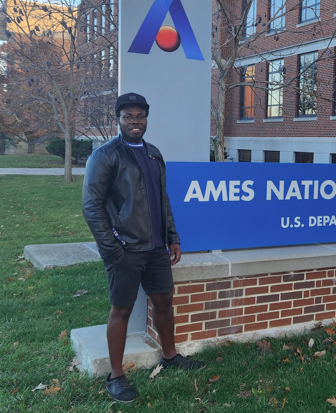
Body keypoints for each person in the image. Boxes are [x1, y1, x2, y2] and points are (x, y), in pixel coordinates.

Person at [82, 92, 204, 402]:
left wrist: (172, 236)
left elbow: (162, 200)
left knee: (163, 302)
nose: (135, 121)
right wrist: (112, 248)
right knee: (121, 309)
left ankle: (171, 355)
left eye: (140, 116)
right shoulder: (106, 155)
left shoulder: (153, 154)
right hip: (125, 250)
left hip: (156, 247)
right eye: (128, 117)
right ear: (118, 120)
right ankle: (116, 376)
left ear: (146, 119)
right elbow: (91, 206)